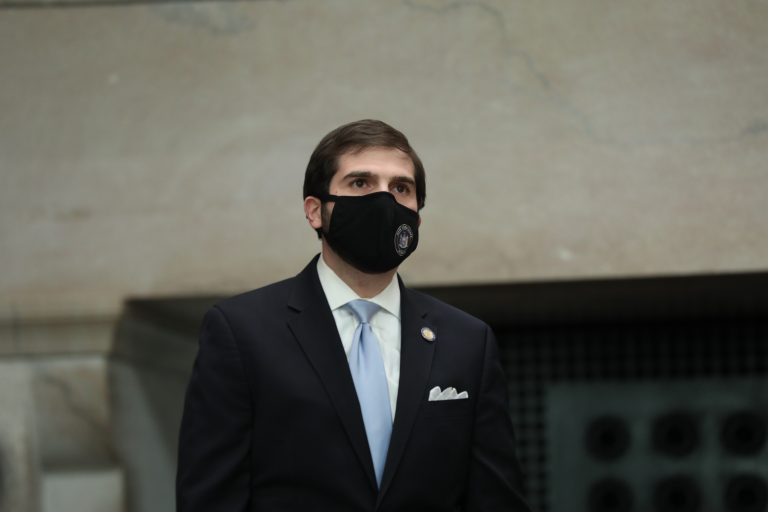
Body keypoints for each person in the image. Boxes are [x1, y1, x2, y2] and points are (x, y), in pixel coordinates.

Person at [176, 119, 532, 512]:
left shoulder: (467, 340)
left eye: (401, 188)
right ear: (315, 211)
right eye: (360, 183)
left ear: (417, 218)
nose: (385, 200)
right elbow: (210, 499)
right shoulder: (242, 331)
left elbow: (496, 498)